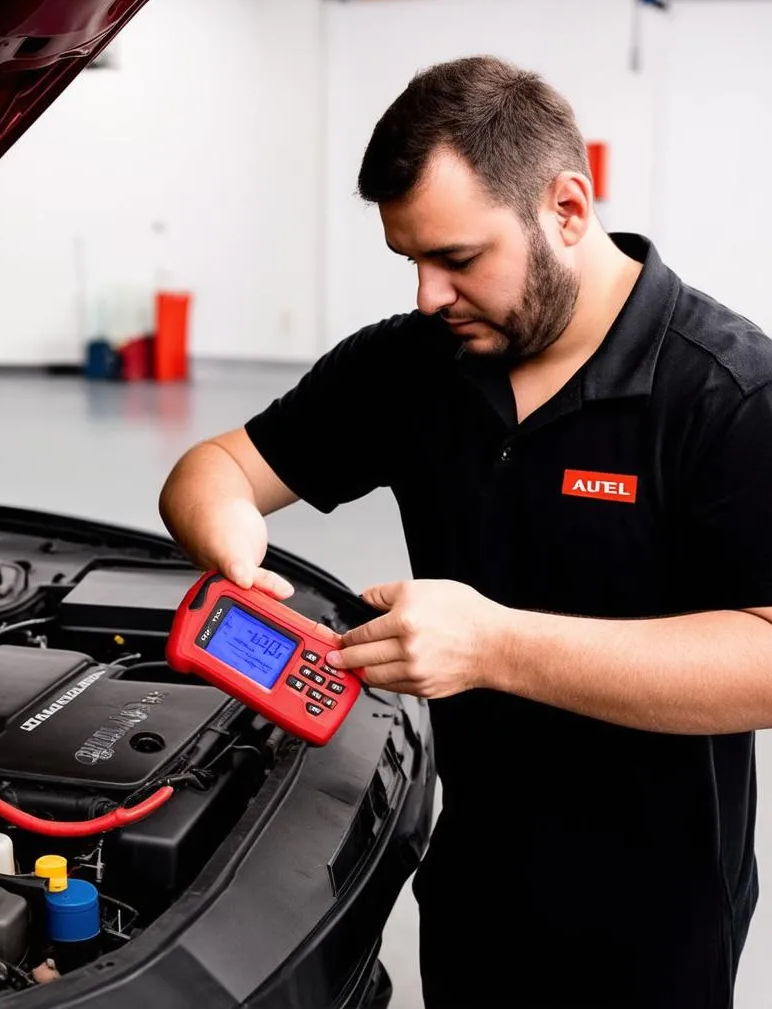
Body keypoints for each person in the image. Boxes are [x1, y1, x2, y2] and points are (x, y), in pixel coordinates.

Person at [158, 55, 772, 1008]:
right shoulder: (412, 367)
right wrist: (230, 537)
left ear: (566, 210)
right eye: (410, 259)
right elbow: (215, 468)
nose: (426, 296)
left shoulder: (727, 393)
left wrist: (494, 646)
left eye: (457, 258)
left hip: (655, 911)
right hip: (474, 874)